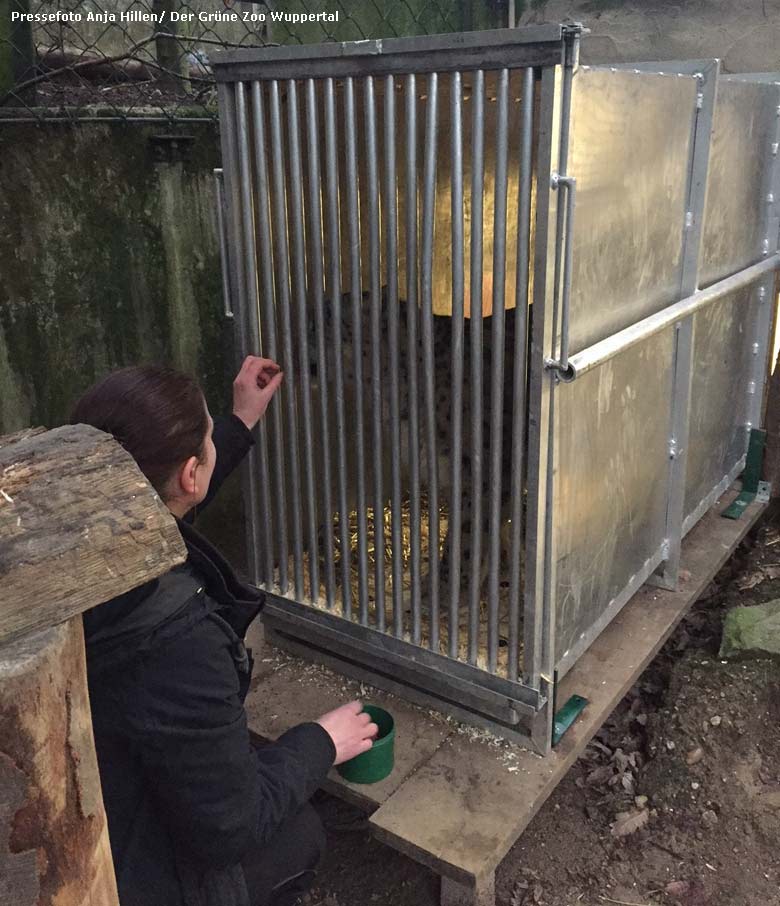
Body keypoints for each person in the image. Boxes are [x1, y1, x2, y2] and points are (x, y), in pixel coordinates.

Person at [71, 356, 378, 906]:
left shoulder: (76, 532)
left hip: (101, 786)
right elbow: (229, 830)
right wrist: (320, 742)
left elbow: (155, 504)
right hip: (130, 874)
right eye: (210, 438)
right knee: (298, 835)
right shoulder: (179, 644)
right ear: (191, 474)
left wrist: (238, 422)